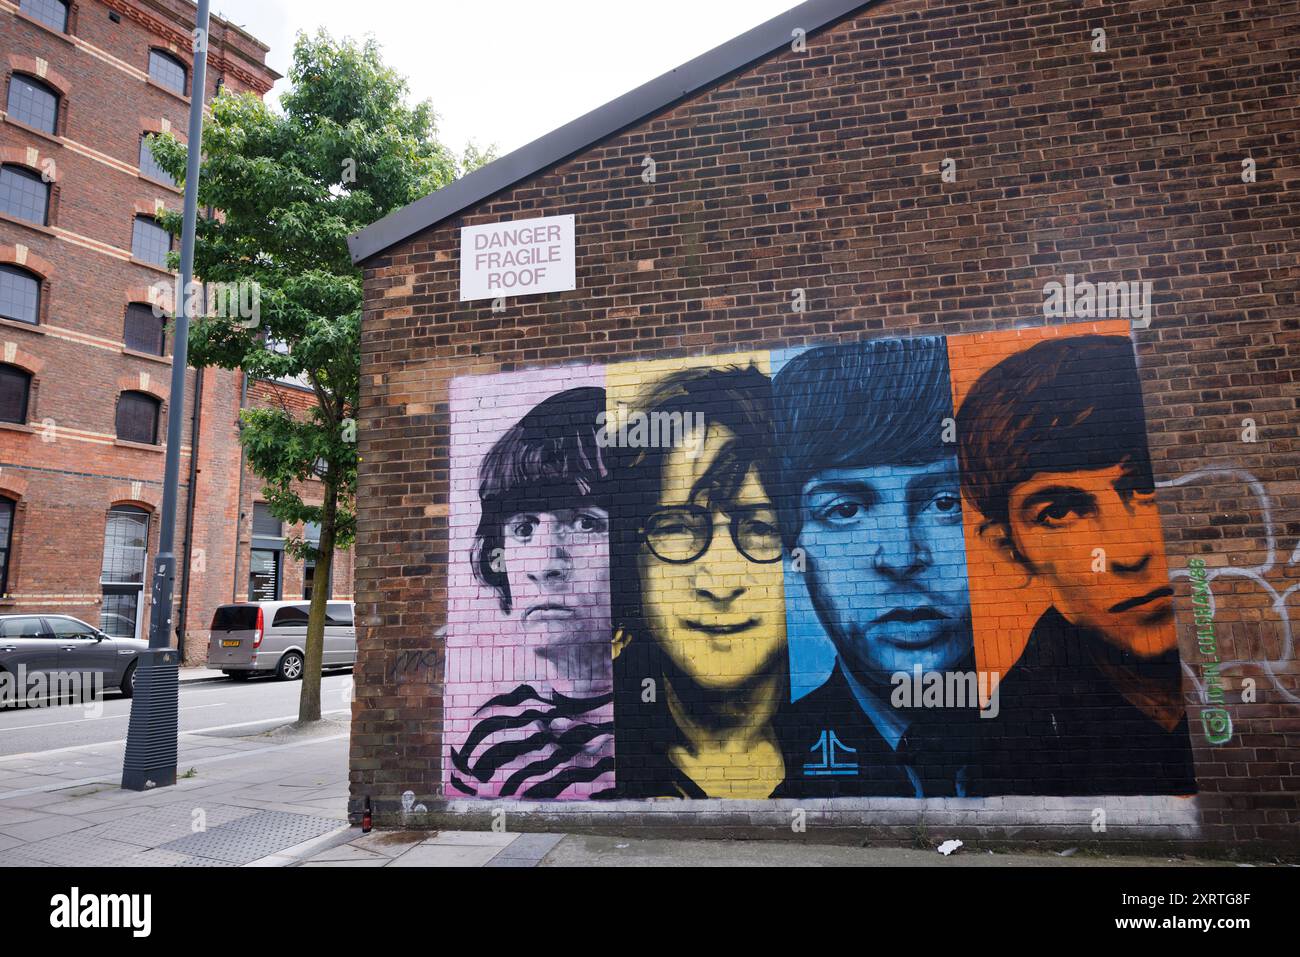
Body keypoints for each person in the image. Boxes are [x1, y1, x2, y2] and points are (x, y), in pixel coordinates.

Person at [956, 334, 1195, 795]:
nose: (1127, 555)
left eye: (1145, 484)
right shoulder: (1010, 741)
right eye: (1060, 512)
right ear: (1010, 551)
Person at [772, 336, 984, 798]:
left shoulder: (1076, 733)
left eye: (945, 502)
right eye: (844, 510)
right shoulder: (773, 758)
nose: (901, 557)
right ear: (793, 546)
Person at [611, 364, 792, 799]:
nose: (719, 580)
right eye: (676, 527)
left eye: (761, 527)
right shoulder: (583, 747)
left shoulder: (872, 743)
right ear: (632, 560)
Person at [448, 387, 616, 800]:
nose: (545, 566)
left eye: (585, 524)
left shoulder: (680, 741)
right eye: (523, 529)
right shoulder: (491, 735)